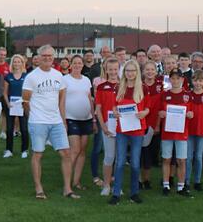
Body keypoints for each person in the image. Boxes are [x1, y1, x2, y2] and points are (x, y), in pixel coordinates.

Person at [23, 45, 78, 200]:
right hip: (38, 122)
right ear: (39, 57)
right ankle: (39, 188)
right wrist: (33, 117)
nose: (47, 58)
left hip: (56, 122)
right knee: (38, 154)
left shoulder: (58, 75)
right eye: (44, 55)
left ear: (54, 58)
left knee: (66, 153)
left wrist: (63, 120)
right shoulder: (31, 77)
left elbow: (61, 101)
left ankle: (67, 189)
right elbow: (25, 101)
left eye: (50, 56)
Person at [108, 60, 149, 205]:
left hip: (137, 129)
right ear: (124, 72)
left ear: (137, 72)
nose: (130, 73)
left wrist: (144, 113)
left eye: (133, 70)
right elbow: (114, 106)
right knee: (119, 163)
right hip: (122, 130)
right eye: (127, 70)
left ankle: (134, 193)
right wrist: (115, 113)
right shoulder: (119, 87)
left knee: (135, 163)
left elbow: (148, 107)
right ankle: (116, 193)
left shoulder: (143, 88)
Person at [158, 70, 193, 197]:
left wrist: (190, 114)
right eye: (173, 78)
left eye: (178, 78)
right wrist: (161, 114)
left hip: (182, 132)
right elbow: (160, 111)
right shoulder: (164, 94)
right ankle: (166, 185)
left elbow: (192, 112)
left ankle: (181, 186)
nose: (175, 81)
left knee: (181, 160)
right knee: (166, 159)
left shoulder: (188, 95)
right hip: (167, 132)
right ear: (170, 80)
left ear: (182, 80)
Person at [64, 55, 94, 192]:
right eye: (74, 63)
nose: (77, 65)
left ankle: (76, 182)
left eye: (79, 63)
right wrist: (62, 119)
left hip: (86, 119)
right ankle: (67, 184)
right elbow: (60, 101)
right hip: (70, 119)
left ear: (83, 65)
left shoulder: (87, 80)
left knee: (82, 151)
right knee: (74, 150)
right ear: (70, 65)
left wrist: (93, 118)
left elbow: (89, 99)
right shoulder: (64, 80)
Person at [94, 58, 120, 196]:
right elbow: (98, 108)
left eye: (115, 69)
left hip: (122, 127)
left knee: (120, 158)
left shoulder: (124, 85)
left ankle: (117, 185)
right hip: (108, 126)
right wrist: (103, 126)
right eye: (110, 69)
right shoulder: (102, 87)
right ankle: (106, 185)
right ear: (106, 70)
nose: (113, 72)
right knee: (109, 156)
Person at [185, 70, 203, 192]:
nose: (198, 83)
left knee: (199, 157)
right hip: (189, 130)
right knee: (189, 156)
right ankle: (186, 181)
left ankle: (197, 181)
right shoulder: (188, 95)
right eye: (196, 80)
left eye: (201, 80)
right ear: (192, 81)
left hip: (202, 129)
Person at [140, 61, 163, 189]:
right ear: (143, 71)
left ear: (156, 71)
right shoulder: (140, 86)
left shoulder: (161, 86)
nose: (149, 72)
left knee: (152, 153)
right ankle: (141, 180)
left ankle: (147, 179)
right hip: (142, 123)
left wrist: (158, 125)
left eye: (152, 70)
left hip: (156, 123)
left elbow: (161, 107)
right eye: (147, 69)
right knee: (142, 153)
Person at [3, 54, 29, 159]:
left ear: (22, 63)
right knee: (9, 129)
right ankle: (9, 150)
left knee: (24, 129)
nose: (17, 63)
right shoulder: (8, 76)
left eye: (19, 61)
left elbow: (28, 92)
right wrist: (8, 103)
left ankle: (24, 150)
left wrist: (26, 102)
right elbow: (4, 92)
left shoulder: (26, 76)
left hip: (23, 105)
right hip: (11, 105)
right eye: (15, 61)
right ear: (12, 63)